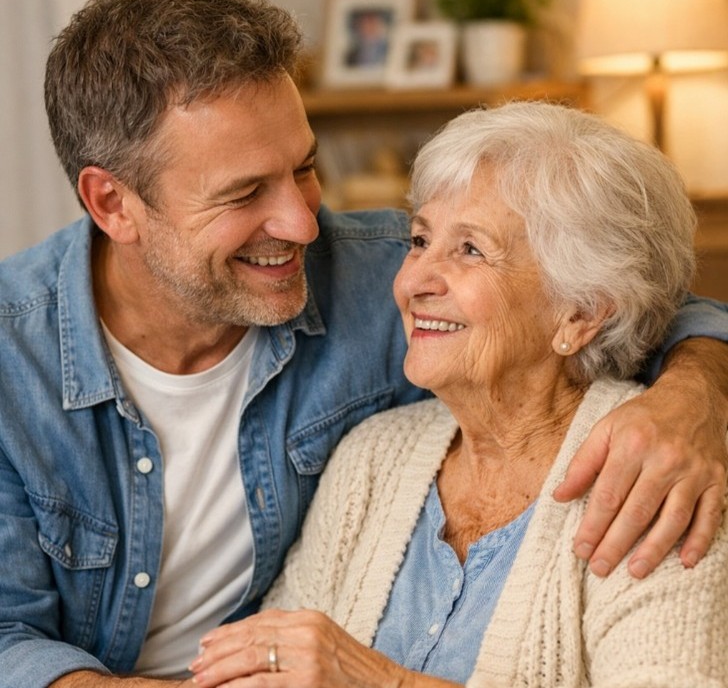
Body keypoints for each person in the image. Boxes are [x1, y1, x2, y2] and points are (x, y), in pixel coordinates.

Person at [0, 0, 726, 688]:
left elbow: (651, 300)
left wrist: (696, 394)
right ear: (111, 203)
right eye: (245, 193)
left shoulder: (647, 475)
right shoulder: (377, 456)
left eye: (306, 169)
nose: (303, 224)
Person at [191, 102, 728, 688]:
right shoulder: (373, 458)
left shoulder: (653, 475)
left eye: (471, 250)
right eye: (420, 240)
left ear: (580, 314)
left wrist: (378, 681)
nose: (413, 281)